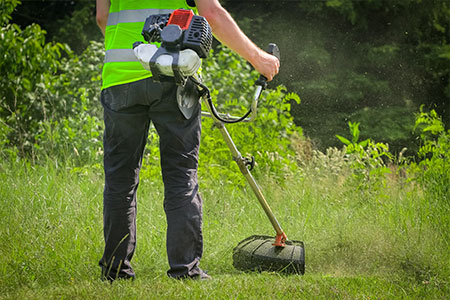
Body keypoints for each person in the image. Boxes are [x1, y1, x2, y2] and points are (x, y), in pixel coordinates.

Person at [95, 0, 279, 281]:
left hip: (120, 77)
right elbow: (212, 15)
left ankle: (115, 271)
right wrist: (258, 59)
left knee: (120, 179)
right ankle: (184, 270)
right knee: (181, 175)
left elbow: (102, 17)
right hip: (174, 71)